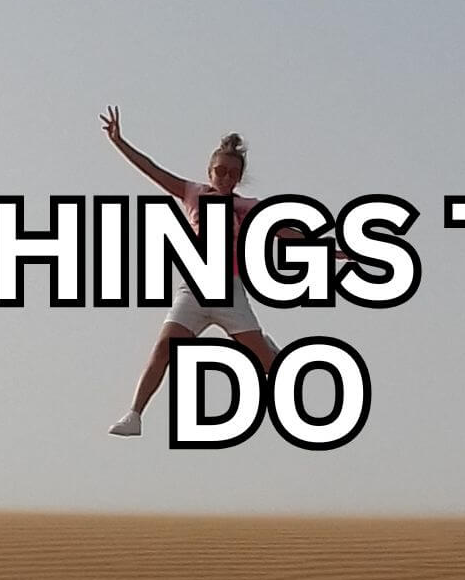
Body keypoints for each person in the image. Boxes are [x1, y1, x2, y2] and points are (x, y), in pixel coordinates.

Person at [99, 106, 342, 438]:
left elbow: (292, 237)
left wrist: (338, 252)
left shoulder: (248, 208)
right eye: (220, 171)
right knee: (165, 347)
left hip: (229, 291)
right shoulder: (192, 193)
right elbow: (153, 170)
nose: (225, 178)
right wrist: (119, 141)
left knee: (268, 365)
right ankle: (134, 414)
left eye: (232, 174)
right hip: (194, 287)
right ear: (210, 171)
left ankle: (276, 362)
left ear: (238, 178)